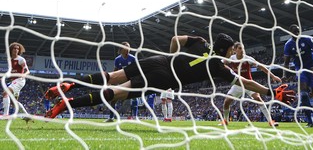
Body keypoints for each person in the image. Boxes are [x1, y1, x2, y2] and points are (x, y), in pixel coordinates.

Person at [44, 33, 295, 119]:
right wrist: (271, 93)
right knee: (119, 94)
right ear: (226, 50)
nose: (232, 54)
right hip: (165, 77)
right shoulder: (219, 67)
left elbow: (175, 39)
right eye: (231, 50)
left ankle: (67, 85)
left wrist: (172, 56)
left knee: (112, 76)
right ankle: (65, 105)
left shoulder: (200, 41)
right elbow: (247, 82)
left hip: (159, 60)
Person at [220, 42, 282, 127]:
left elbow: (261, 67)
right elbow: (220, 63)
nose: (242, 50)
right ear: (234, 50)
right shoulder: (231, 58)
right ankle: (225, 120)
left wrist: (273, 76)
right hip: (237, 84)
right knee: (226, 102)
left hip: (249, 84)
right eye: (240, 48)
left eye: (243, 48)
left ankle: (270, 121)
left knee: (258, 98)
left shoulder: (248, 59)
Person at [283, 24, 313, 128]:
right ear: (290, 33)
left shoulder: (307, 39)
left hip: (312, 69)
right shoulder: (288, 45)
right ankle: (310, 121)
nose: (297, 33)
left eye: (298, 31)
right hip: (301, 70)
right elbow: (286, 63)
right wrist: (284, 75)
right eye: (295, 32)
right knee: (304, 94)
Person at [105, 41, 136, 122]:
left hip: (131, 81)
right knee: (113, 99)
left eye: (129, 47)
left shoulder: (133, 58)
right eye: (126, 47)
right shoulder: (117, 59)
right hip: (121, 82)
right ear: (121, 49)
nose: (128, 49)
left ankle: (135, 117)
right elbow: (115, 71)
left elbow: (137, 70)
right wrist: (110, 82)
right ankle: (111, 117)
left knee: (134, 98)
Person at [1, 42, 32, 123]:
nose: (16, 50)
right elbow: (11, 72)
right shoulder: (10, 60)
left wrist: (23, 75)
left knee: (5, 93)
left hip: (20, 80)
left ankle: (5, 115)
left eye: (17, 49)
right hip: (14, 81)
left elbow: (27, 71)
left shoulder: (21, 59)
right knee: (14, 102)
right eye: (14, 48)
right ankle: (26, 116)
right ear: (11, 50)